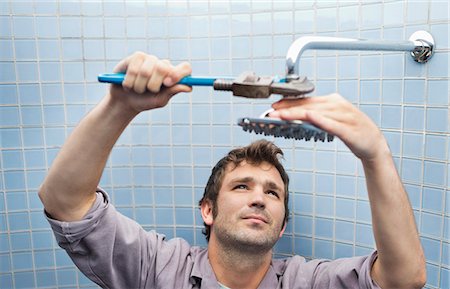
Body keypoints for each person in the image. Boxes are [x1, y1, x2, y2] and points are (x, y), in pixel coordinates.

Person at [39, 52, 426, 289]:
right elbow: (65, 202)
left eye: (272, 193)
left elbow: (404, 279)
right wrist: (119, 107)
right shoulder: (156, 269)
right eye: (242, 186)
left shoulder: (307, 282)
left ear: (282, 225)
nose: (259, 197)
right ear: (208, 209)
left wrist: (375, 153)